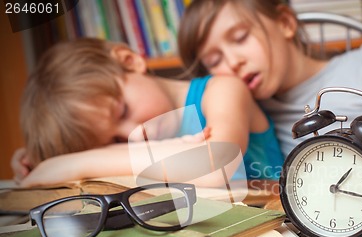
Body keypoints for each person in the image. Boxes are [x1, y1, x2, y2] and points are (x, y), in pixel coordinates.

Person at [177, 0, 362, 188]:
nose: (232, 62)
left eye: (240, 38)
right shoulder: (251, 114)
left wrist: (350, 180)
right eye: (214, 61)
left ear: (285, 23)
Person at [11, 38, 283, 187]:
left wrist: (74, 164)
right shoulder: (143, 141)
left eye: (122, 111)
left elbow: (217, 164)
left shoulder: (222, 90)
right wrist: (41, 161)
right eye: (116, 142)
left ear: (130, 61)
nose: (135, 136)